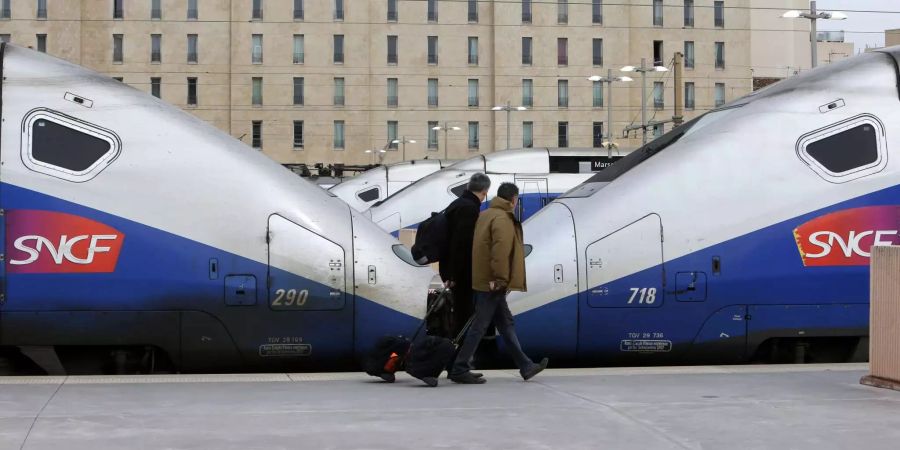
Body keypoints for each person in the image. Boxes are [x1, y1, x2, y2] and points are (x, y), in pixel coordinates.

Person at [449, 182, 548, 384]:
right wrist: (500, 279)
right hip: (493, 282)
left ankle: (526, 365)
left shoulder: (485, 215)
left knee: (505, 323)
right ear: (513, 199)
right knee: (480, 325)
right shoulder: (502, 218)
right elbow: (499, 251)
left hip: (485, 279)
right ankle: (459, 367)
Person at [439, 173, 490, 339]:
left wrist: (447, 272)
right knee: (463, 315)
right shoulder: (469, 209)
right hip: (462, 274)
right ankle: (458, 356)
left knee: (461, 314)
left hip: (453, 271)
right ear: (484, 191)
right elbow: (462, 246)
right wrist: (454, 275)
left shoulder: (456, 204)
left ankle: (459, 355)